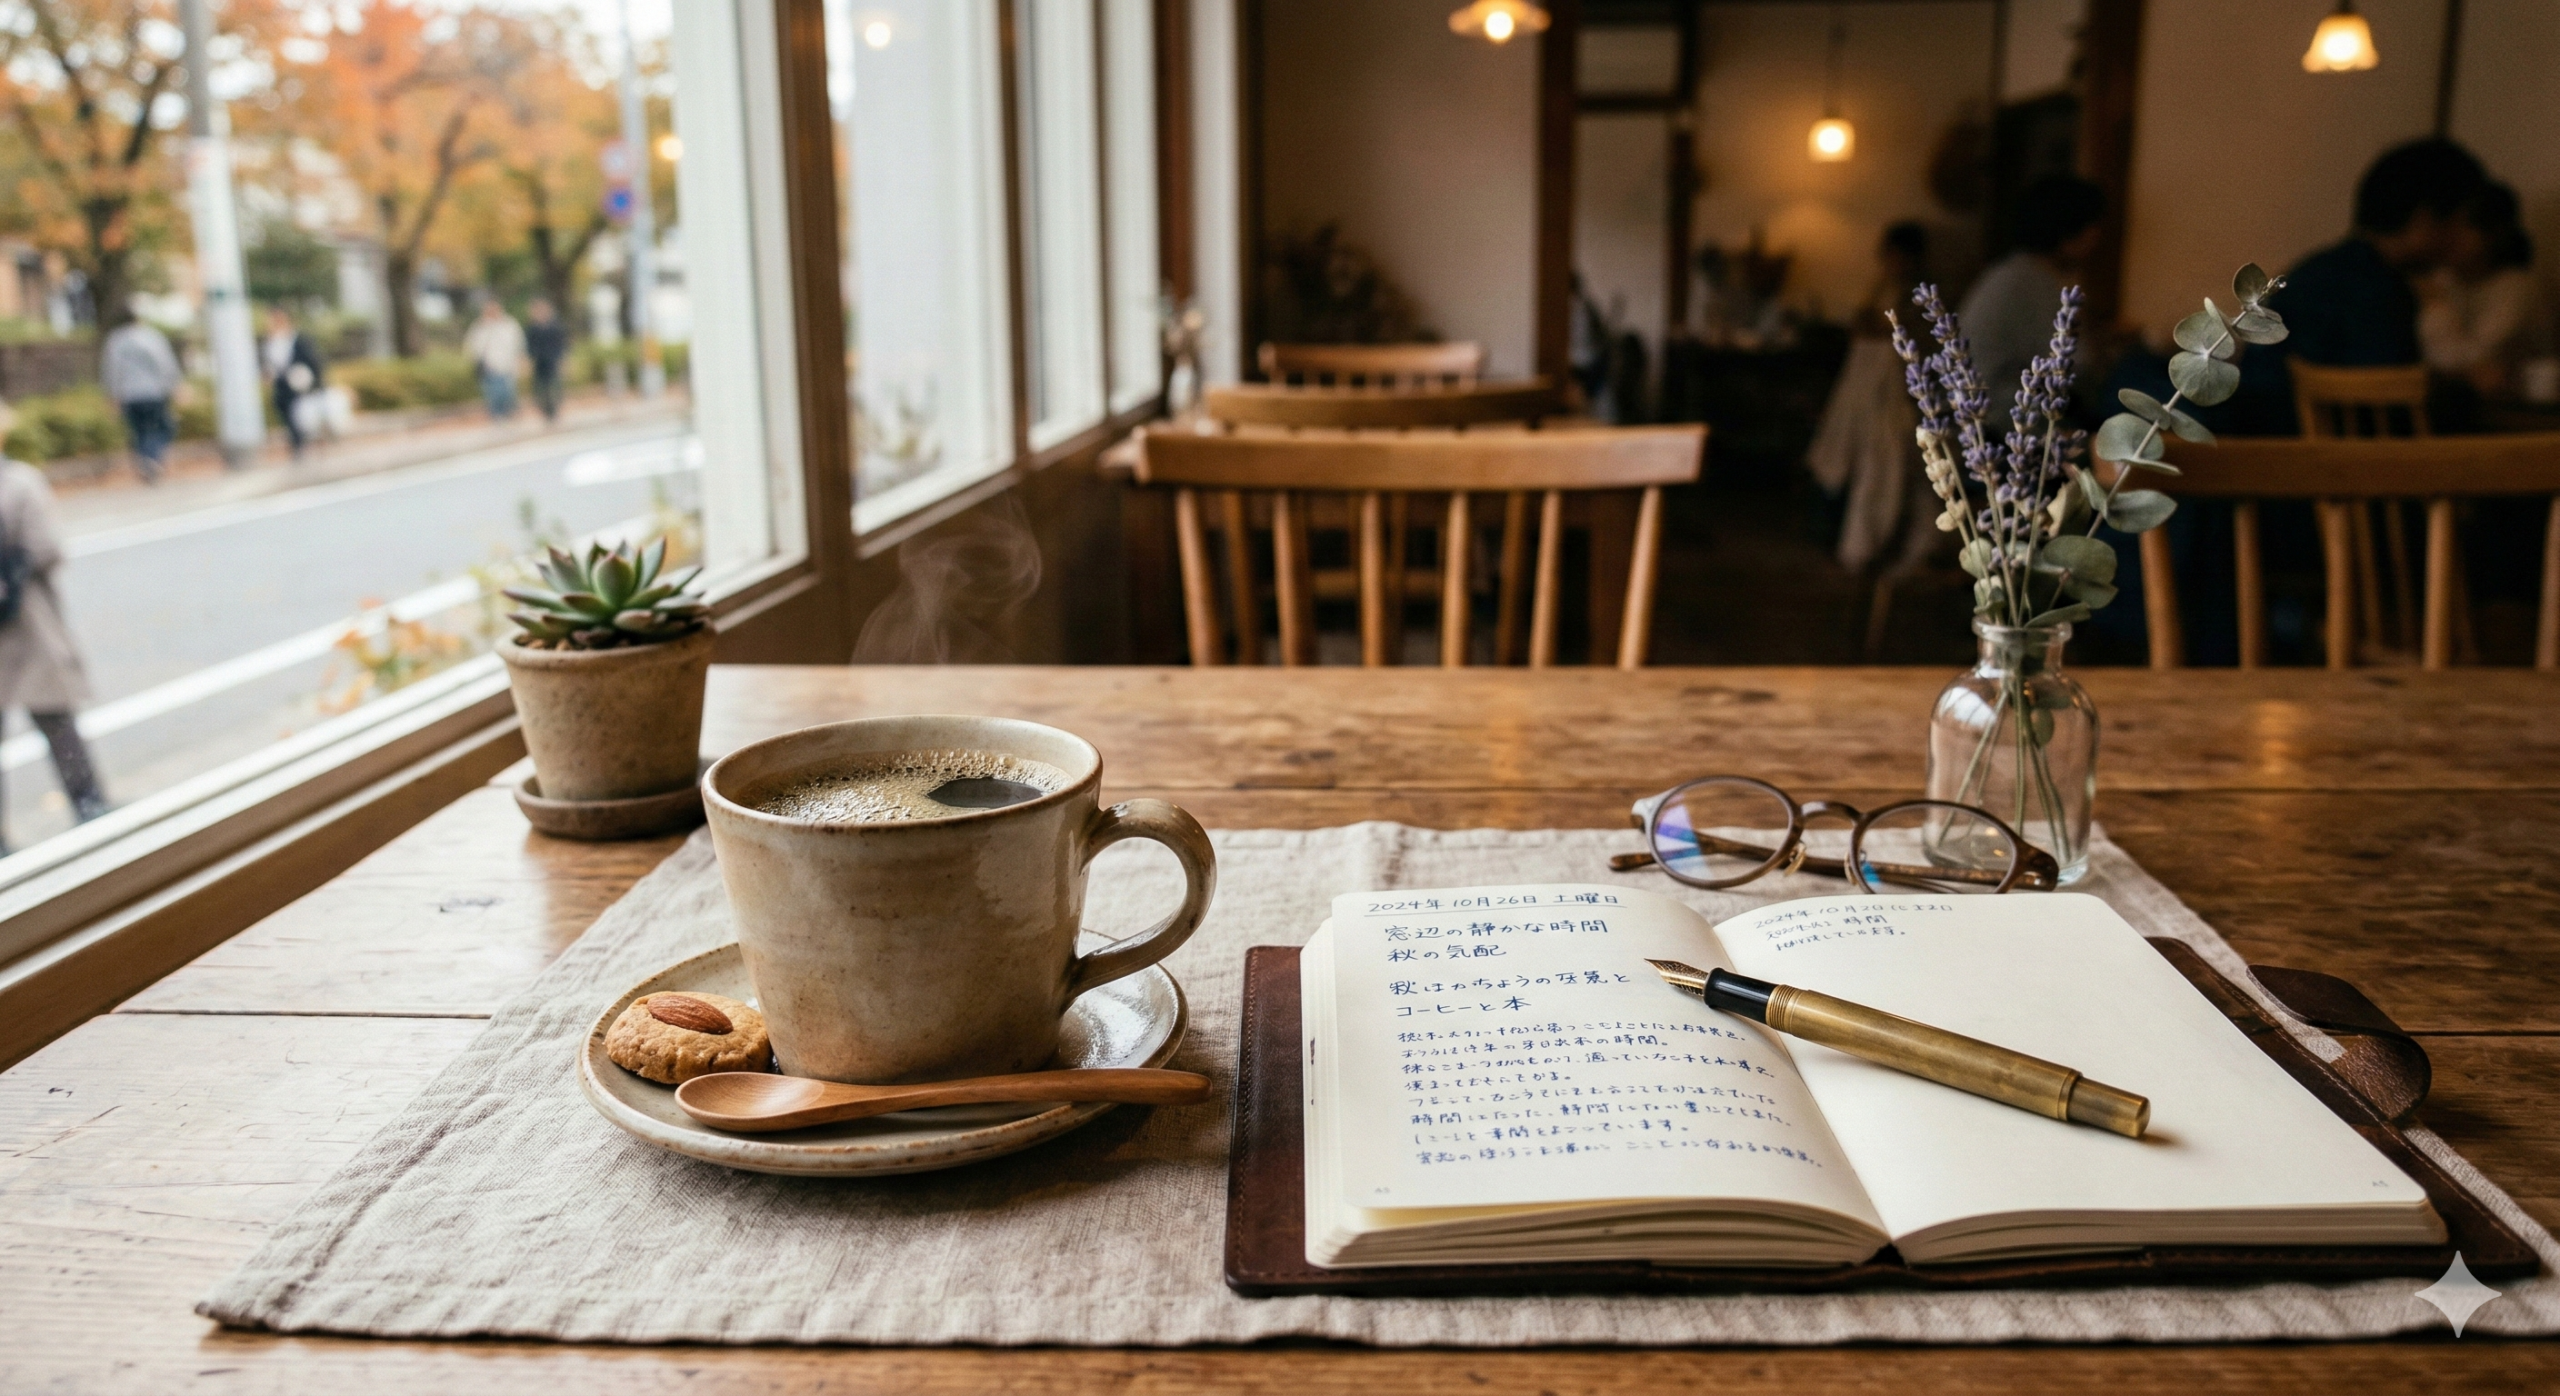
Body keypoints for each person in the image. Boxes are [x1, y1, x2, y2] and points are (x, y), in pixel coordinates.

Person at [2239, 137, 2487, 433]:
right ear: (2424, 220)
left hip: (2261, 456)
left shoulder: (2311, 271)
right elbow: (2387, 409)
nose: (2466, 237)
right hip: (2339, 467)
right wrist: (2467, 385)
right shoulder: (2381, 293)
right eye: (2461, 222)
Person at [0, 406, 109, 853]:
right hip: (29, 620)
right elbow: (46, 547)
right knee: (56, 718)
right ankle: (89, 806)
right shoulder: (19, 482)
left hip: (21, 622)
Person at [1808, 221, 1931, 573]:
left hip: (1894, 399)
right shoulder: (1881, 289)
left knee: (1884, 472)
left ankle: (1869, 544)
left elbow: (1902, 336)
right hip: (1861, 398)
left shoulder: (1919, 295)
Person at [1958, 175, 2106, 433]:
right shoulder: (2034, 283)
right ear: (2069, 232)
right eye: (2093, 228)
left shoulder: (2011, 272)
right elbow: (2078, 370)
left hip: (1986, 415)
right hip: (2004, 424)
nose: (2097, 240)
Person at [2419, 180, 2544, 399]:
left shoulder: (2517, 287)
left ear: (2493, 234)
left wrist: (2435, 306)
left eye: (2460, 228)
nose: (2447, 238)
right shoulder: (2445, 279)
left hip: (2514, 417)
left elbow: (2474, 356)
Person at [99, 313, 182, 484]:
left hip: (129, 395)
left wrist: (113, 395)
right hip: (154, 393)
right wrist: (175, 385)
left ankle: (145, 460)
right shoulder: (152, 337)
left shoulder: (116, 340)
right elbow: (164, 363)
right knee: (162, 427)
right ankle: (152, 457)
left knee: (139, 430)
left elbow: (111, 369)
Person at [261, 307, 326, 458]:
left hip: (301, 384)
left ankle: (305, 443)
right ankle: (297, 444)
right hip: (282, 384)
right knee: (286, 413)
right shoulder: (270, 341)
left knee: (303, 415)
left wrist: (315, 383)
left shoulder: (299, 339)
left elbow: (314, 361)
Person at [465, 297, 527, 419]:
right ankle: (496, 416)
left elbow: (518, 343)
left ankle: (508, 413)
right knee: (493, 393)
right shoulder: (480, 326)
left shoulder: (509, 324)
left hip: (507, 364)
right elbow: (473, 346)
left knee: (507, 392)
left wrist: (521, 359)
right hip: (489, 366)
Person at [524, 298, 569, 424]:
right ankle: (546, 412)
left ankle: (554, 411)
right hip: (539, 363)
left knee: (555, 387)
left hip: (553, 361)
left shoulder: (555, 326)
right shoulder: (532, 328)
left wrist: (563, 360)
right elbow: (529, 347)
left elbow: (562, 344)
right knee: (540, 389)